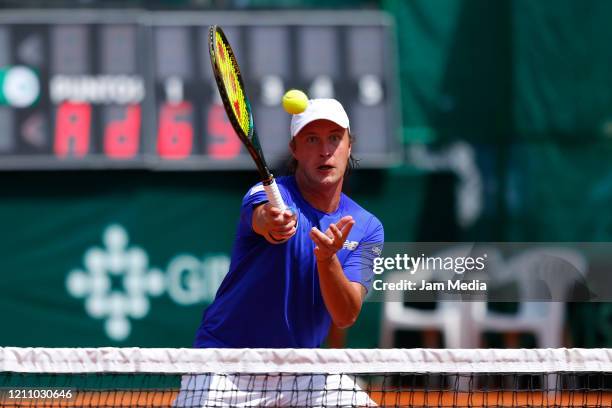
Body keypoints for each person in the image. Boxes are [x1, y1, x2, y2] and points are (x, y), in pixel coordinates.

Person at [175, 98, 384, 407]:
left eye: (334, 139)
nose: (325, 150)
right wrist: (273, 223)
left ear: (349, 146)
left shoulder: (368, 227)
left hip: (302, 370)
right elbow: (263, 218)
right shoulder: (265, 194)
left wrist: (327, 261)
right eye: (312, 139)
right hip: (226, 365)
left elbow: (345, 315)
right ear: (295, 149)